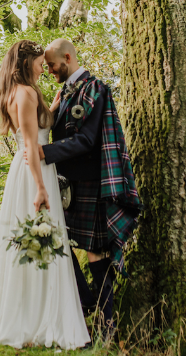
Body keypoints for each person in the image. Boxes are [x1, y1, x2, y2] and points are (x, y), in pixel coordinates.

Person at [0, 40, 90, 350]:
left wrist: (56, 102)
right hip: (33, 174)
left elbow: (39, 127)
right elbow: (32, 148)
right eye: (39, 62)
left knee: (43, 244)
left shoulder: (29, 92)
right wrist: (39, 189)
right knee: (38, 243)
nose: (43, 68)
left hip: (38, 170)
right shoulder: (23, 94)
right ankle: (34, 317)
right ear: (27, 63)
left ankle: (41, 309)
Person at [25, 39, 140, 336]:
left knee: (96, 252)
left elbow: (88, 140)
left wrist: (44, 152)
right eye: (46, 66)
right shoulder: (64, 92)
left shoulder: (96, 89)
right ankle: (86, 302)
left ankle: (106, 326)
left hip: (92, 184)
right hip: (66, 185)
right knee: (54, 239)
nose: (49, 70)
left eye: (52, 65)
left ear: (67, 58)